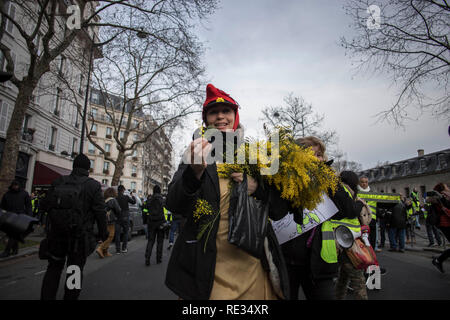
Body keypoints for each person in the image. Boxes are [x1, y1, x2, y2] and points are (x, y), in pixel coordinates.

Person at [164, 83, 289, 300]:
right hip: (207, 265)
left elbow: (279, 210)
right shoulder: (194, 153)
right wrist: (193, 174)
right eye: (213, 113)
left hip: (252, 266)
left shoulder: (255, 155)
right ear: (206, 120)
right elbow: (174, 204)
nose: (220, 117)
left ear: (235, 116)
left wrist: (258, 189)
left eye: (226, 111)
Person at [40, 154, 108, 300]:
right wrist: (103, 233)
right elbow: (100, 212)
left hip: (56, 235)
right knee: (74, 270)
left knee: (53, 268)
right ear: (88, 168)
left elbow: (45, 205)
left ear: (73, 166)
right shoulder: (93, 186)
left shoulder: (58, 181)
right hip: (79, 237)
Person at [334, 171, 371, 300]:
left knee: (342, 279)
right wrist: (361, 203)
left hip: (340, 241)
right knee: (358, 282)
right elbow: (351, 212)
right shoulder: (344, 193)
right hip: (349, 243)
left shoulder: (338, 191)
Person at [0, 180, 32, 258]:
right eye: (14, 185)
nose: (15, 187)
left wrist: (29, 216)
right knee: (13, 234)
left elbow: (28, 205)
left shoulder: (24, 193)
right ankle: (15, 250)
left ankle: (7, 251)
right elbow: (2, 206)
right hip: (9, 216)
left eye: (17, 185)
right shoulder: (7, 194)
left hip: (20, 216)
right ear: (12, 186)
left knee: (13, 234)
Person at [429, 183, 450, 273]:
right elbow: (446, 209)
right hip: (445, 224)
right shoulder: (440, 198)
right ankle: (438, 260)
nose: (448, 188)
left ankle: (438, 260)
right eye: (446, 187)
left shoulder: (442, 197)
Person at [96, 187, 122, 258]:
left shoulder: (104, 199)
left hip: (103, 219)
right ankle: (101, 248)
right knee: (111, 236)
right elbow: (118, 210)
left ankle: (105, 252)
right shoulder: (113, 200)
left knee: (105, 235)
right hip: (110, 219)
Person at [144, 185, 166, 265]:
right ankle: (158, 259)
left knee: (150, 241)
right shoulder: (162, 200)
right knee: (160, 241)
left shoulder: (149, 199)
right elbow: (166, 208)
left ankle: (147, 257)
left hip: (151, 222)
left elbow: (145, 209)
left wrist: (147, 216)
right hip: (160, 222)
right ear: (160, 191)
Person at [115, 185, 136, 254]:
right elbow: (133, 202)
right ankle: (124, 248)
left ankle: (118, 250)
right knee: (125, 233)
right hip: (125, 216)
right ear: (123, 190)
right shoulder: (126, 197)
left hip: (118, 217)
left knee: (117, 234)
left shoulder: (115, 198)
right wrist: (132, 195)